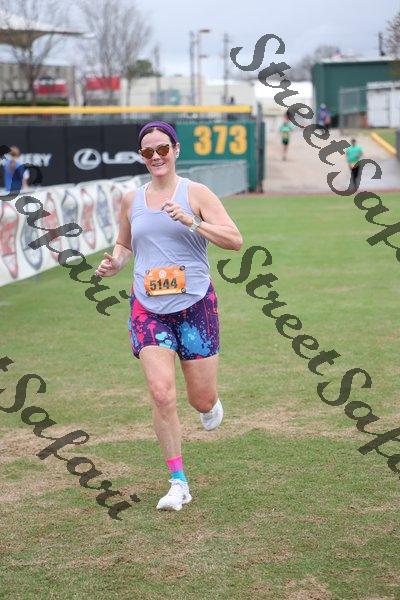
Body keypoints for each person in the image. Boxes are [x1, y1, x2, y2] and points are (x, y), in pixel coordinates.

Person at [95, 121, 243, 512]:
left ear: (175, 150)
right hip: (148, 308)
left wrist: (192, 221)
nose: (156, 156)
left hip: (195, 305)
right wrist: (116, 263)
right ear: (142, 156)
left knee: (200, 399)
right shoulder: (131, 199)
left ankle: (210, 404)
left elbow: (234, 239)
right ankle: (178, 482)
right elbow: (124, 243)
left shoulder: (196, 193)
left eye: (163, 149)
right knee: (161, 394)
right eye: (148, 152)